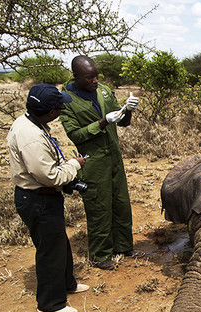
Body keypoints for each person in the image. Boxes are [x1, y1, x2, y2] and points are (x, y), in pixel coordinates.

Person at [8, 83, 90, 312]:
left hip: (43, 197)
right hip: (37, 197)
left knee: (58, 243)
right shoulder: (31, 137)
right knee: (49, 250)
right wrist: (74, 164)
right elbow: (50, 177)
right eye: (59, 107)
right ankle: (50, 304)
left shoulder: (31, 122)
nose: (62, 110)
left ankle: (67, 283)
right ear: (52, 112)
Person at [60, 55, 141, 270]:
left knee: (121, 202)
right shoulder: (66, 100)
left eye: (96, 76)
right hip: (93, 161)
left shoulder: (103, 91)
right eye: (89, 78)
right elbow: (75, 135)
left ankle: (124, 246)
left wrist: (128, 110)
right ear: (76, 76)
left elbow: (122, 121)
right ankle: (100, 254)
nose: (94, 81)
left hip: (114, 157)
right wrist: (103, 122)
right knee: (99, 207)